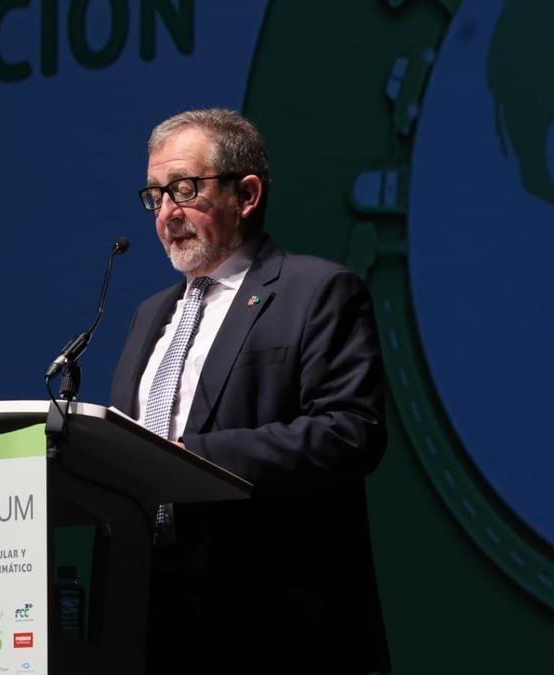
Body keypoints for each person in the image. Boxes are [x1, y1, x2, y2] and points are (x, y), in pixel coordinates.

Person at [109, 109, 390, 673]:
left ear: (247, 194)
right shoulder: (148, 316)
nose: (167, 213)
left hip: (274, 622)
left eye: (184, 189)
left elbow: (351, 432)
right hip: (151, 619)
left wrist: (190, 462)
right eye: (156, 196)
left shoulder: (317, 290)